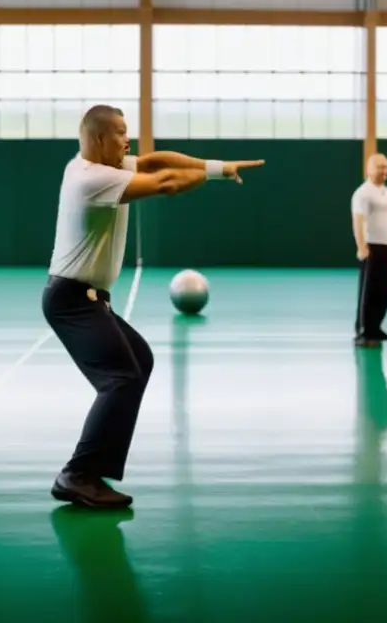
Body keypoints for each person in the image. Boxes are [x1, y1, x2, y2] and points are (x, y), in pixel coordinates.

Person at [43, 104, 263, 509]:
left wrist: (218, 167)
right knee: (121, 377)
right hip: (72, 300)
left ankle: (91, 470)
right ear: (98, 139)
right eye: (121, 132)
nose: (128, 140)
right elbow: (164, 182)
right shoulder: (90, 179)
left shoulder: (103, 164)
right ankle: (78, 474)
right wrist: (204, 177)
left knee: (138, 361)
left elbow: (154, 160)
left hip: (87, 297)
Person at [352, 153, 387, 347]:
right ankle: (363, 333)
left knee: (383, 289)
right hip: (370, 246)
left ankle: (376, 328)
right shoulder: (363, 192)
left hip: (385, 246)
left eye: (386, 166)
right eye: (380, 166)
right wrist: (361, 245)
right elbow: (358, 219)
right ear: (369, 168)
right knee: (368, 291)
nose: (384, 170)